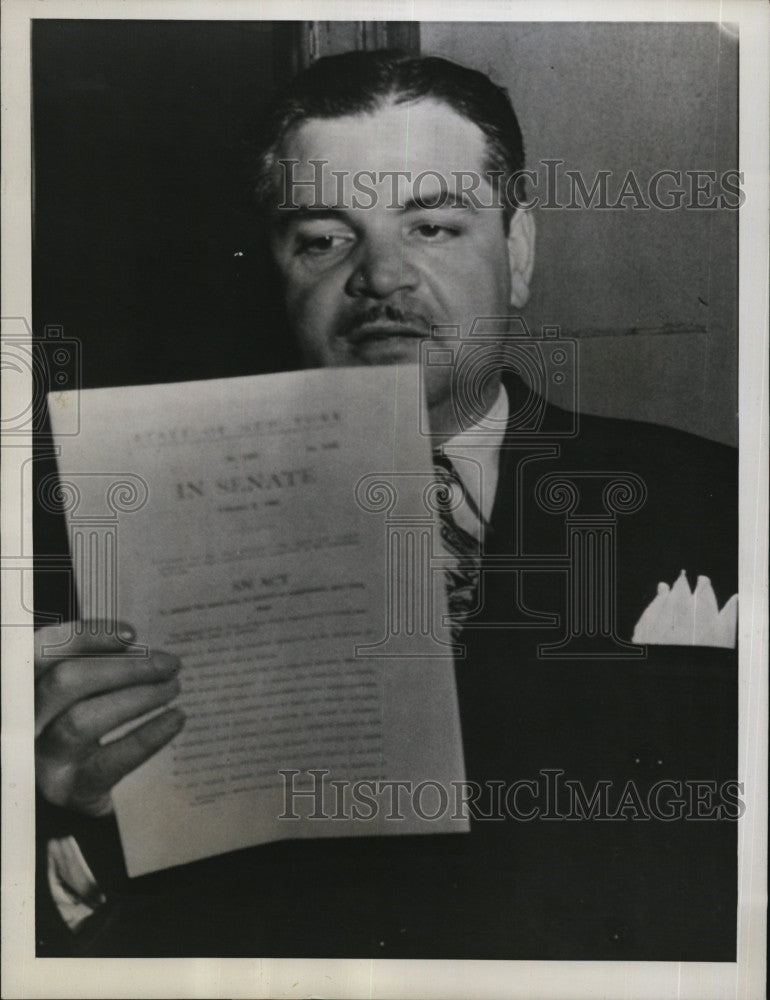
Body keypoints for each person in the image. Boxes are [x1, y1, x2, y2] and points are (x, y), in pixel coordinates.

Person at [35, 50, 738, 959]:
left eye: (434, 227)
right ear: (272, 269)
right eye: (325, 238)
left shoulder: (718, 501)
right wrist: (64, 806)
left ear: (517, 253)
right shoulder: (89, 544)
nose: (383, 278)